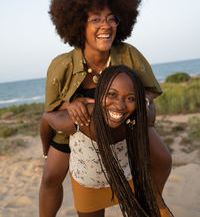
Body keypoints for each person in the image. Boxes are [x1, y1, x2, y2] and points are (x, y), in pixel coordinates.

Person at [39, 0, 172, 217]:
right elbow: (52, 109)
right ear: (79, 24)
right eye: (96, 19)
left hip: (122, 121)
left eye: (112, 18)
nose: (106, 25)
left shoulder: (128, 53)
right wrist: (74, 105)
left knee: (163, 158)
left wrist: (140, 100)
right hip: (76, 127)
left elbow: (151, 90)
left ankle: (153, 198)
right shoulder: (62, 64)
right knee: (50, 177)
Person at [41, 65, 173, 217]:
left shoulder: (136, 118)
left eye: (130, 98)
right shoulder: (81, 119)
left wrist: (145, 101)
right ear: (99, 94)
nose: (120, 105)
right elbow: (46, 119)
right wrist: (46, 151)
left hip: (126, 178)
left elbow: (150, 113)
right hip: (88, 187)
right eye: (112, 94)